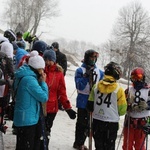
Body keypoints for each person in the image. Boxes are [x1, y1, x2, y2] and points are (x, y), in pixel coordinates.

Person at [87, 61, 127, 150]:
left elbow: (90, 105)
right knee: (109, 147)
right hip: (111, 123)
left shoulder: (96, 86)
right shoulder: (119, 89)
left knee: (99, 145)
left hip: (97, 121)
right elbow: (122, 111)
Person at [13, 52, 48, 150]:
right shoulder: (30, 80)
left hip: (23, 116)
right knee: (26, 145)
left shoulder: (22, 75)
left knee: (21, 144)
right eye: (42, 69)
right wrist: (43, 83)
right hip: (27, 119)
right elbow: (44, 97)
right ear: (38, 68)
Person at [42, 49, 76, 149]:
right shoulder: (40, 70)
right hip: (40, 105)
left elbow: (62, 92)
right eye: (45, 59)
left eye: (49, 60)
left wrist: (68, 108)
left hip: (52, 107)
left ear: (54, 60)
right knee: (39, 130)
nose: (47, 62)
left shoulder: (58, 74)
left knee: (47, 130)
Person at [73, 49, 104, 150]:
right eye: (91, 57)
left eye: (95, 58)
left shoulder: (99, 72)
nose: (93, 60)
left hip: (95, 101)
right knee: (82, 124)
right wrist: (86, 77)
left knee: (92, 125)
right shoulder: (80, 71)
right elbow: (79, 86)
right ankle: (79, 142)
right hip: (83, 100)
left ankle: (89, 142)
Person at [122, 67, 150, 150]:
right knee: (127, 145)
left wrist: (146, 105)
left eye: (139, 77)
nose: (137, 81)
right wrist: (128, 105)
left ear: (143, 77)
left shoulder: (148, 90)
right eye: (134, 78)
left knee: (140, 145)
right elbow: (122, 103)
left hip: (142, 121)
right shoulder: (129, 90)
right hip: (130, 119)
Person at [51, 42, 67, 110]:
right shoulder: (50, 54)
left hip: (58, 75)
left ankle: (59, 104)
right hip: (51, 74)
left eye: (55, 48)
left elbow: (64, 67)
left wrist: (62, 75)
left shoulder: (62, 56)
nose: (54, 49)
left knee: (60, 90)